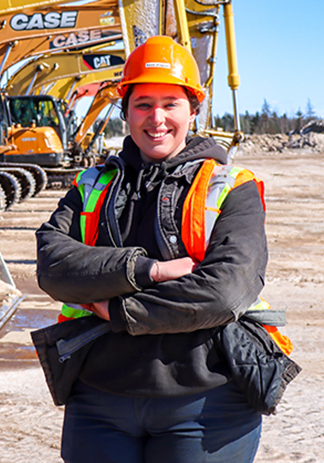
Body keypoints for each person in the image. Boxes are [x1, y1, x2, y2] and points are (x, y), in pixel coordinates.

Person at [36, 36, 283, 462]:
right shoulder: (92, 183)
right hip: (98, 401)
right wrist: (148, 270)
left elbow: (224, 292)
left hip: (208, 404)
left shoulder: (232, 186)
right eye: (143, 104)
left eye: (170, 103)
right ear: (125, 110)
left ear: (193, 109)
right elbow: (54, 267)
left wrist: (118, 310)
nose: (157, 118)